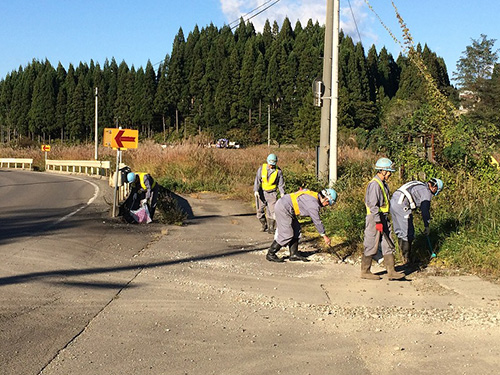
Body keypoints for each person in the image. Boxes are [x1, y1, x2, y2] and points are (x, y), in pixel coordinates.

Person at [266, 188, 337, 262]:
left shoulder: (314, 195)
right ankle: (271, 254)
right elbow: (317, 221)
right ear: (325, 198)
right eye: (328, 203)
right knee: (287, 234)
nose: (327, 205)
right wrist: (324, 236)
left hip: (287, 207)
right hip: (283, 208)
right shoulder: (313, 205)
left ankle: (294, 254)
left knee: (296, 229)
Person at [362, 158, 404, 280]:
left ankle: (391, 271)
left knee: (388, 242)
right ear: (383, 171)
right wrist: (377, 221)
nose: (390, 173)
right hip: (374, 218)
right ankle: (365, 271)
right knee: (371, 243)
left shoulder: (383, 184)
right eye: (389, 171)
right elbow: (373, 205)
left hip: (383, 217)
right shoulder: (375, 185)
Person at [390, 178, 444, 265]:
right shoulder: (427, 192)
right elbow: (425, 210)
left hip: (393, 201)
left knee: (400, 231)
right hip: (402, 204)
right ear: (434, 188)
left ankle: (402, 257)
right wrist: (427, 226)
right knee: (408, 233)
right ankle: (407, 260)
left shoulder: (419, 184)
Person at [253, 153, 286, 234]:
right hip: (262, 192)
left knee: (272, 211)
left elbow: (281, 184)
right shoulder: (261, 169)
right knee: (259, 210)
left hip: (272, 194)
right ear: (267, 162)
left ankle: (271, 228)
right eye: (270, 164)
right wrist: (256, 190)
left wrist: (282, 193)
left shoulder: (278, 172)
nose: (271, 166)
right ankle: (264, 225)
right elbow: (257, 180)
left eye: (273, 165)